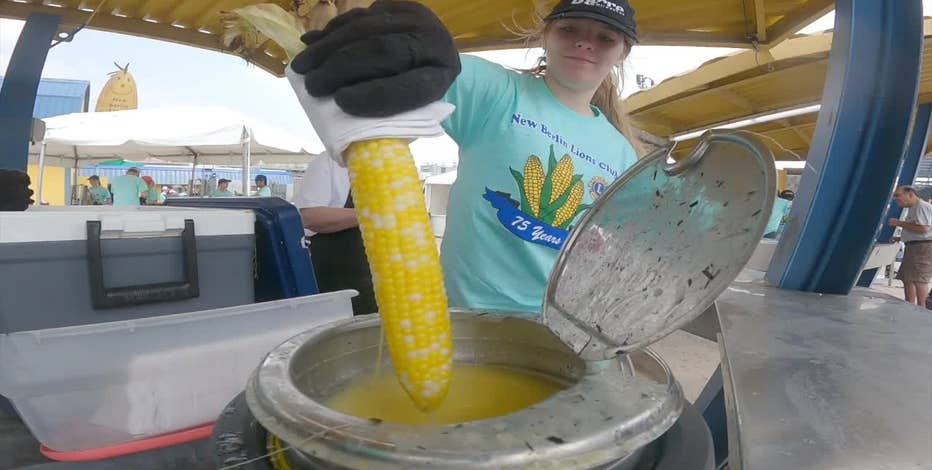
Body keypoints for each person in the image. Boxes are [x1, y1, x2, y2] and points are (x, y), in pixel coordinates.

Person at [291, 0, 641, 315]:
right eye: (569, 30)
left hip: (564, 323)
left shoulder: (622, 151)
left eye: (605, 38)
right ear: (545, 35)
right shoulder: (497, 91)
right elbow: (432, 69)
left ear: (623, 52)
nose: (584, 43)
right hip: (471, 318)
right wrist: (409, 45)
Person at [294, 153, 377, 315]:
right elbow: (309, 217)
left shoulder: (400, 168)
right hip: (341, 285)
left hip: (389, 287)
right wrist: (371, 215)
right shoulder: (331, 162)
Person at [889, 185, 932, 306]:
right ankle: (909, 306)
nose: (895, 198)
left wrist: (899, 223)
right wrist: (901, 238)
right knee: (908, 278)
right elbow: (916, 230)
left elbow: (924, 229)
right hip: (914, 247)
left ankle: (922, 309)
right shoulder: (913, 208)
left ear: (910, 194)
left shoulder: (921, 207)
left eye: (898, 195)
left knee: (919, 280)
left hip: (922, 248)